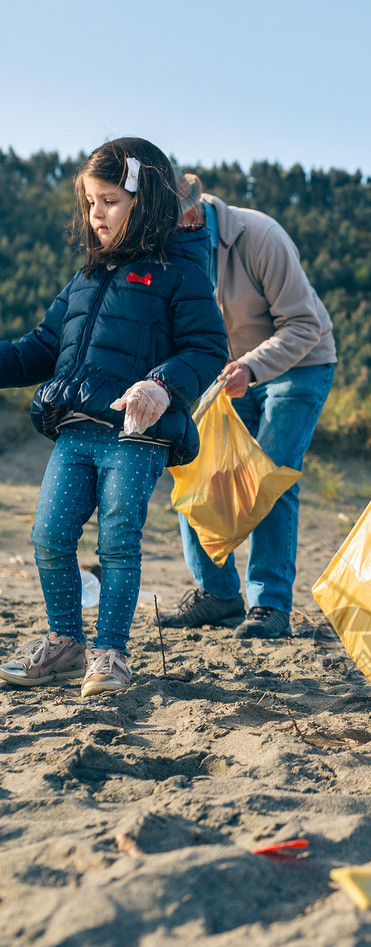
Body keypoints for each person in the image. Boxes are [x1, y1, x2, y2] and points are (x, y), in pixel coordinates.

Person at [0, 138, 227, 697]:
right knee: (49, 536)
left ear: (143, 201)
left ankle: (110, 653)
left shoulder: (181, 272)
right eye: (89, 203)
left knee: (118, 541)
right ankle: (66, 642)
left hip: (136, 433)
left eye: (108, 201)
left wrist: (161, 384)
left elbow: (206, 349)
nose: (95, 214)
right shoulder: (83, 280)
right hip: (75, 430)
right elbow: (37, 350)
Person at [159, 175, 337, 640]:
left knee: (269, 477)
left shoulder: (262, 236)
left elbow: (305, 326)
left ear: (193, 215)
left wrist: (252, 369)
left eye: (170, 226)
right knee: (195, 467)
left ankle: (269, 606)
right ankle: (218, 596)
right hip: (227, 375)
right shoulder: (167, 247)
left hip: (300, 363)